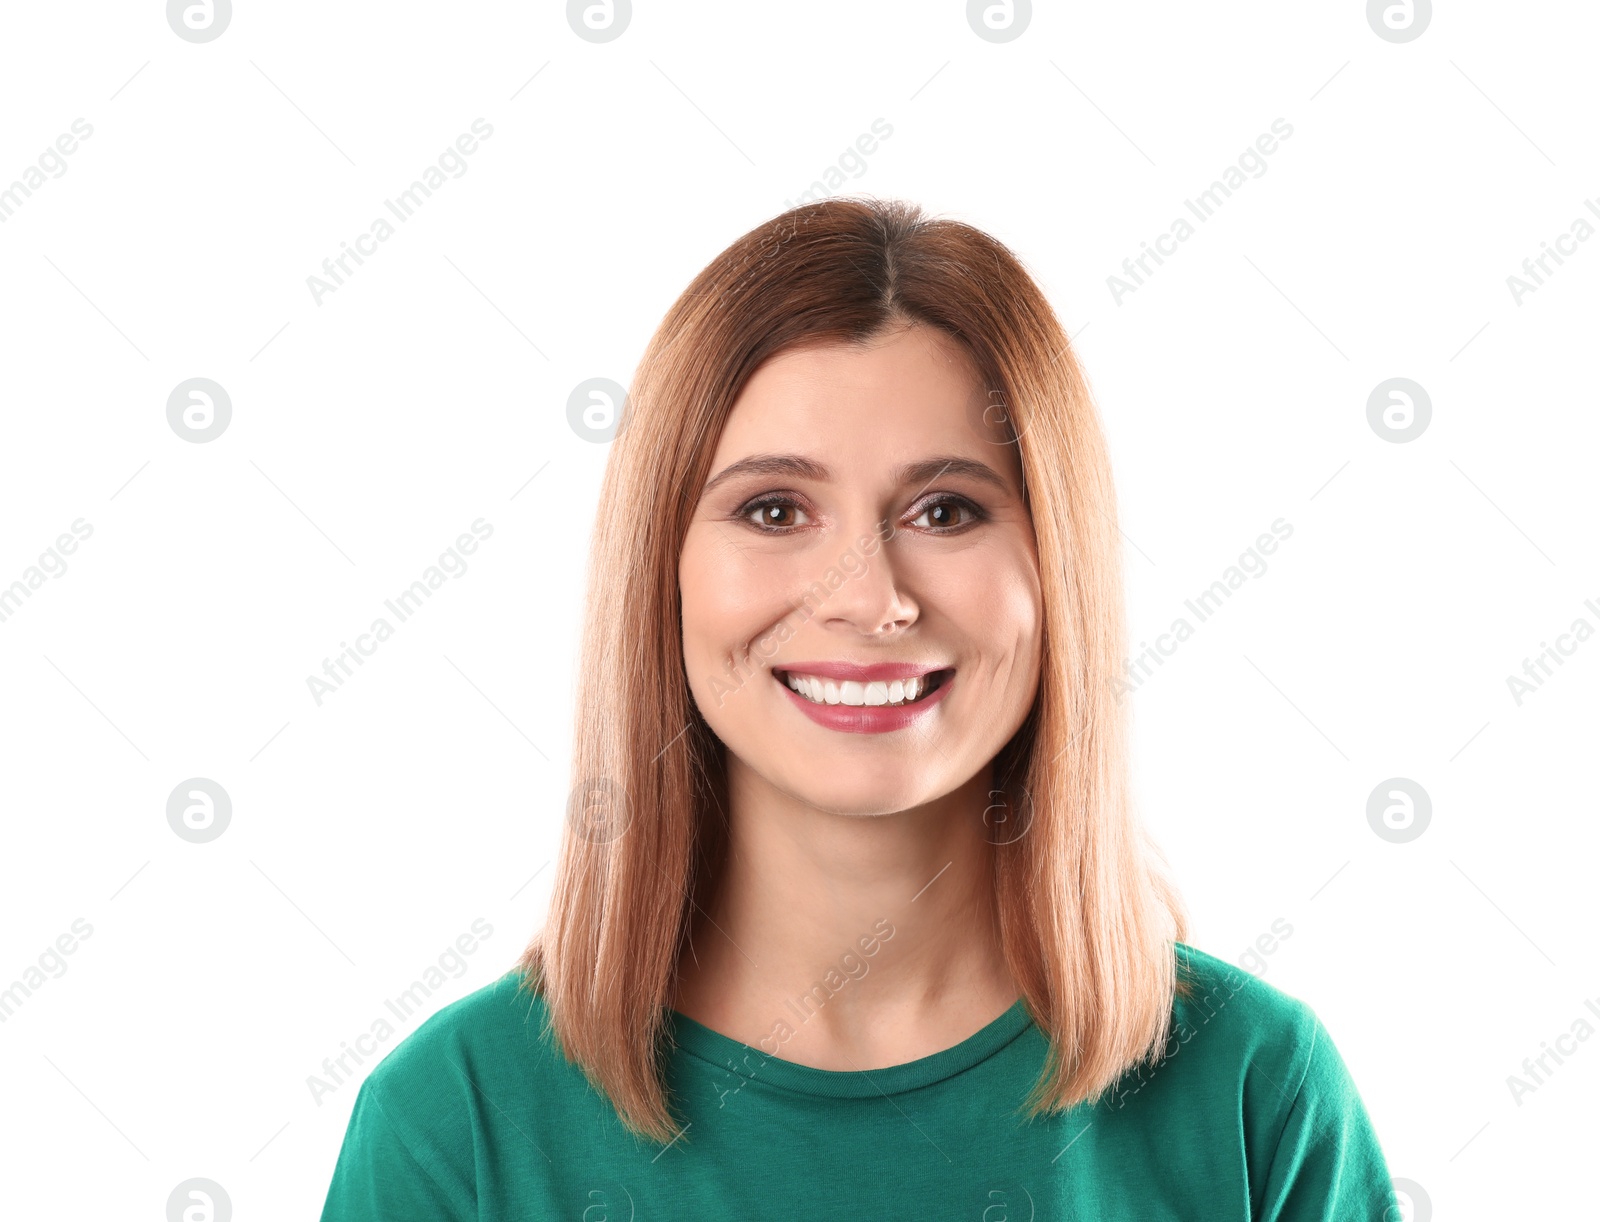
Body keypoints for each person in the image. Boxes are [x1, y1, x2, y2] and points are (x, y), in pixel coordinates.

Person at [318, 197, 1403, 1219]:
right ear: (665, 570)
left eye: (946, 508)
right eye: (775, 508)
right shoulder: (456, 1124)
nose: (869, 598)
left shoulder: (1256, 1092)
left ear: (1056, 567)